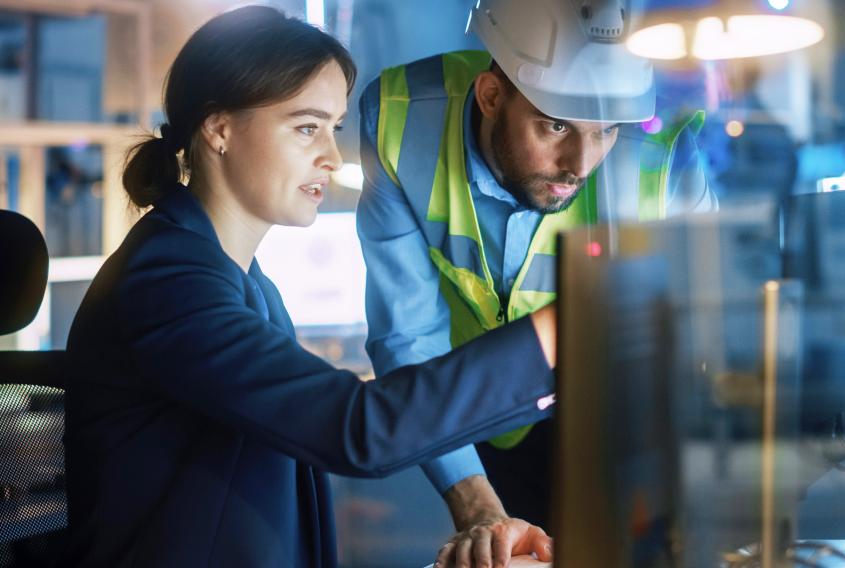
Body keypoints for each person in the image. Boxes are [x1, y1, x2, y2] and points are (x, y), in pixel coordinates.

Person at [61, 6, 558, 567]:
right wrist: (552, 337)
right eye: (306, 127)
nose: (332, 156)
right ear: (220, 128)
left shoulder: (241, 279)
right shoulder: (169, 282)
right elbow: (358, 429)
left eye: (335, 128)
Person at [356, 0, 717, 551]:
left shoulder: (666, 146)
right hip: (460, 406)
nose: (582, 162)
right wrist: (476, 505)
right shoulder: (400, 118)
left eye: (607, 131)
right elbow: (407, 334)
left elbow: (706, 327)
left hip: (612, 412)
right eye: (555, 125)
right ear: (491, 96)